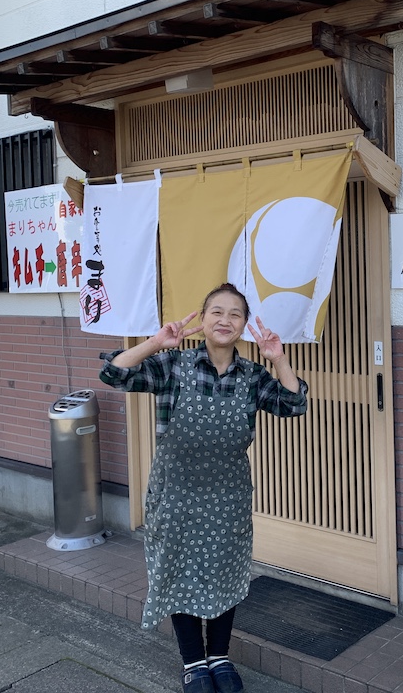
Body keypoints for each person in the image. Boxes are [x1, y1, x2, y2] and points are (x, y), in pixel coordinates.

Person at [99, 283, 308, 693]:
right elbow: (113, 373)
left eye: (234, 314)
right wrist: (156, 342)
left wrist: (279, 359)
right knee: (179, 573)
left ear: (245, 325)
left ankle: (220, 657)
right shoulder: (173, 365)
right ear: (203, 318)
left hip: (227, 495)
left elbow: (293, 404)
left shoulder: (251, 376)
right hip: (175, 492)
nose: (225, 320)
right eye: (217, 311)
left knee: (224, 573)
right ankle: (194, 663)